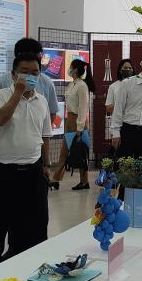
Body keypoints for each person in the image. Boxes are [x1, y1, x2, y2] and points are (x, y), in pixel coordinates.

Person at [0, 53, 53, 267]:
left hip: (33, 171)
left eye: (35, 72)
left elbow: (45, 135)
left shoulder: (41, 100)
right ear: (14, 74)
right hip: (3, 171)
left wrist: (46, 164)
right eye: (24, 72)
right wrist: (17, 94)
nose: (30, 76)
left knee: (35, 223)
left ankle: (29, 265)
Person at [0, 37, 59, 122]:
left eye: (39, 59)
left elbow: (51, 113)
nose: (37, 62)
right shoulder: (0, 82)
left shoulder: (47, 82)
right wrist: (17, 93)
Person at [52, 58, 94, 190]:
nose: (69, 69)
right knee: (65, 151)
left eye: (70, 66)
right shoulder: (72, 84)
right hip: (69, 120)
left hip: (77, 121)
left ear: (75, 69)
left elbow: (83, 107)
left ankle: (84, 181)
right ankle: (56, 179)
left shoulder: (82, 86)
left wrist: (80, 127)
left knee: (80, 151)